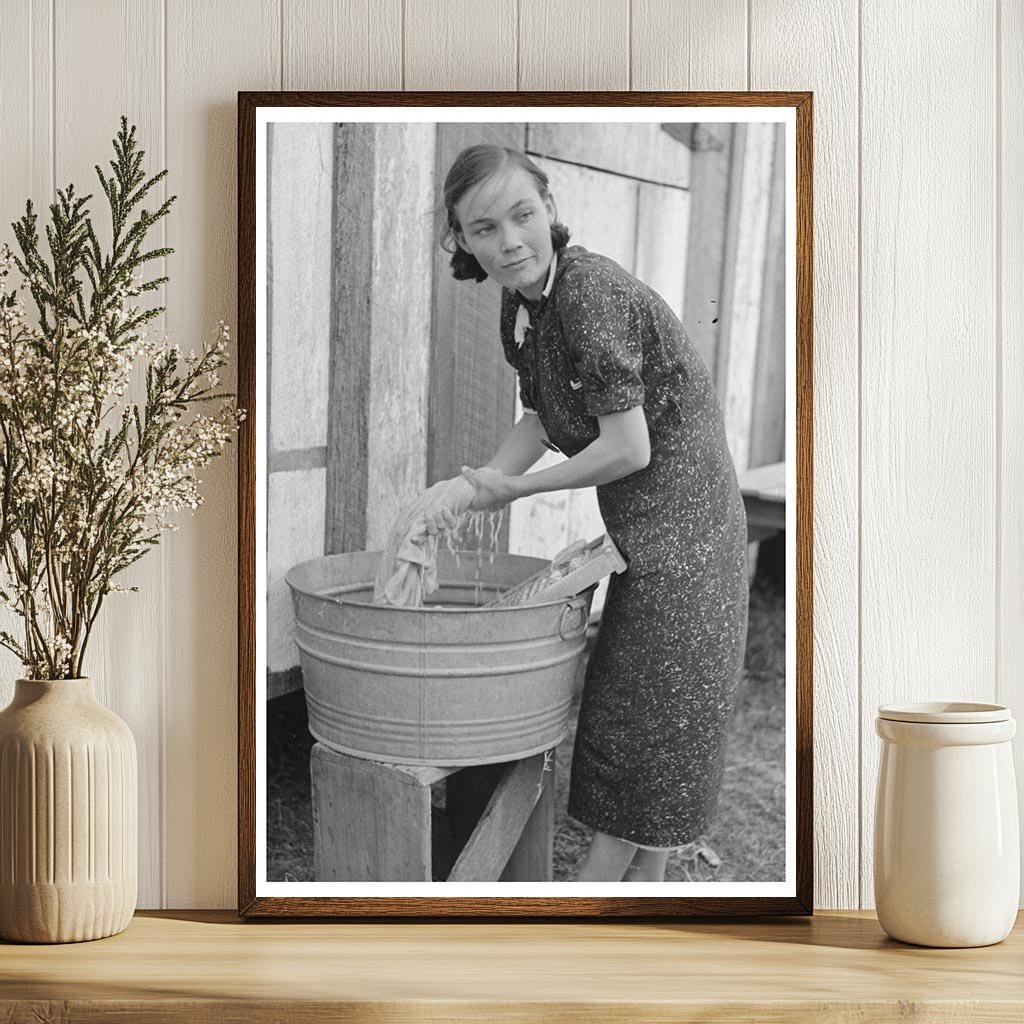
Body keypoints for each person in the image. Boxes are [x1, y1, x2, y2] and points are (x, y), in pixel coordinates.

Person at [435, 143, 749, 882]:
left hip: (692, 540)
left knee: (645, 733)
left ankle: (576, 933)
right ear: (463, 242)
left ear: (550, 208)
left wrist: (519, 492)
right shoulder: (525, 305)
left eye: (522, 215)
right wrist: (476, 485)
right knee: (650, 736)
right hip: (649, 537)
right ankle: (639, 922)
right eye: (484, 230)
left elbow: (628, 449)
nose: (509, 241)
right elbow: (542, 419)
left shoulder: (588, 294)